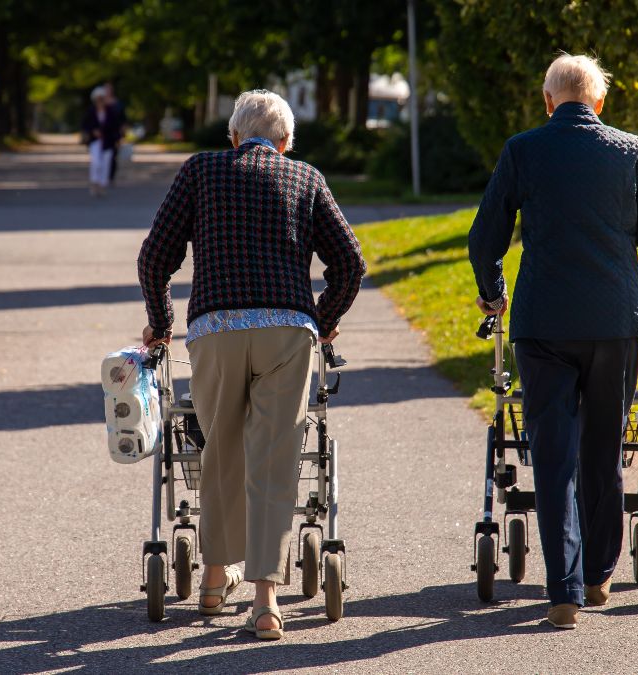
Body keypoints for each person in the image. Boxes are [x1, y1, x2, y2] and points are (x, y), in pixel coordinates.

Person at [138, 89, 366, 640]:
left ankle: (214, 582)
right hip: (287, 333)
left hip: (215, 330)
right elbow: (350, 263)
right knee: (274, 457)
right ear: (286, 143)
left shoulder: (201, 171)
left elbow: (154, 258)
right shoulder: (305, 177)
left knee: (220, 451)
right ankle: (266, 602)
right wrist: (323, 317)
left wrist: (161, 322)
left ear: (234, 137)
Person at [468, 53, 638, 630]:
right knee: (603, 450)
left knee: (554, 454)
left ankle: (562, 590)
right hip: (615, 321)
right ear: (600, 104)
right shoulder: (631, 150)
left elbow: (484, 236)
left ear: (547, 102)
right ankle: (597, 576)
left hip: (542, 324)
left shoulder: (522, 150)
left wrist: (494, 293)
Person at [81, 86, 123, 196]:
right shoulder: (91, 111)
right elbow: (85, 124)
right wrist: (93, 131)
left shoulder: (110, 111)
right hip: (95, 141)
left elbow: (116, 126)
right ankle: (94, 182)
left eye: (102, 98)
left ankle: (102, 184)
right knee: (96, 162)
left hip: (108, 141)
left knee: (106, 162)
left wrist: (117, 139)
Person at [104, 82, 128, 183]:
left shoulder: (118, 104)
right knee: (103, 155)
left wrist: (123, 131)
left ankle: (111, 176)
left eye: (109, 89)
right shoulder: (100, 103)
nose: (108, 91)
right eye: (106, 89)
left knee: (113, 155)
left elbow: (123, 118)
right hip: (103, 133)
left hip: (115, 133)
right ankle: (103, 175)